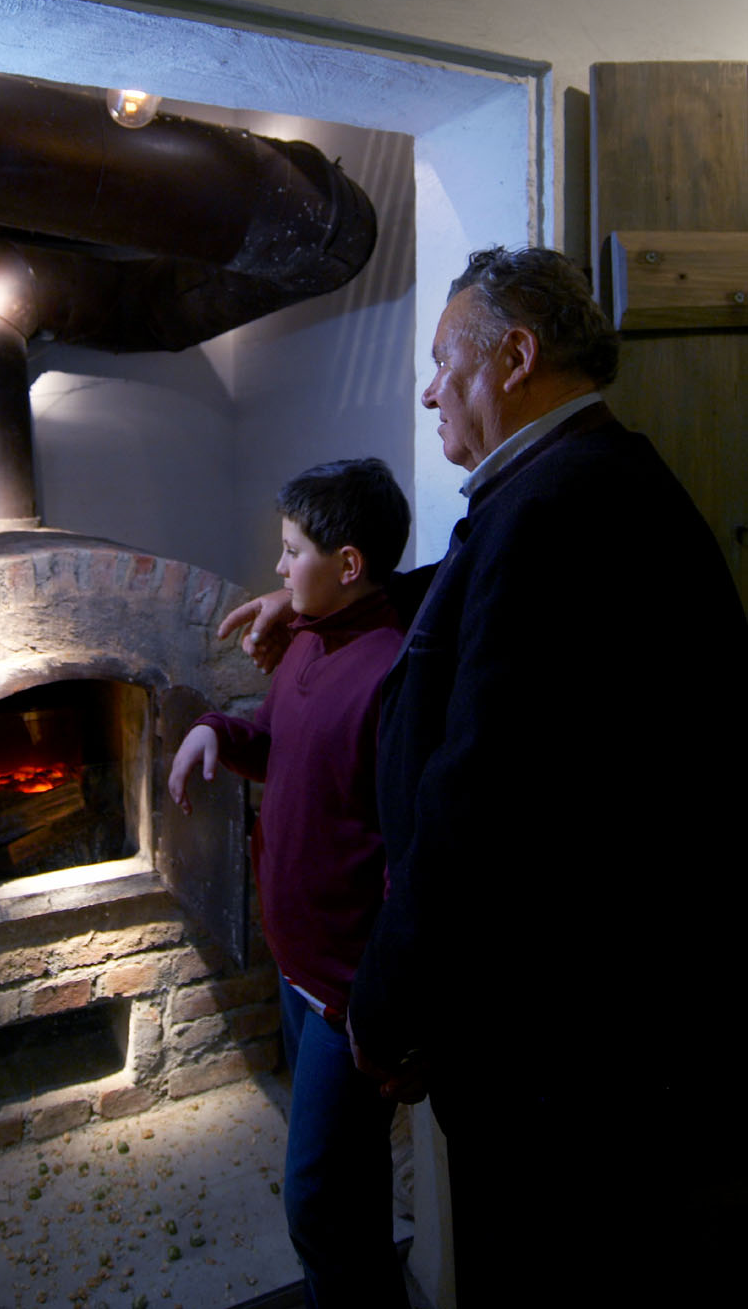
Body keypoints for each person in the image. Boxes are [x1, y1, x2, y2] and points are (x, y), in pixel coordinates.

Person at [222, 247, 748, 1307]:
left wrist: (382, 1002)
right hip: (579, 1033)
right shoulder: (570, 486)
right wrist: (320, 601)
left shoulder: (559, 512)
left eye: (441, 364)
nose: (424, 390)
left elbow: (476, 807)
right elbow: (474, 591)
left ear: (513, 358)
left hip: (565, 1049)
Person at [168, 458, 420, 1308]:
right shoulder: (310, 638)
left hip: (346, 1000)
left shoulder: (389, 673)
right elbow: (272, 742)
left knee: (315, 1201)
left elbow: (402, 859)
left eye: (290, 552)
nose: (276, 572)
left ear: (348, 565)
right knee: (350, 1191)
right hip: (294, 967)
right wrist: (214, 732)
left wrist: (373, 1006)